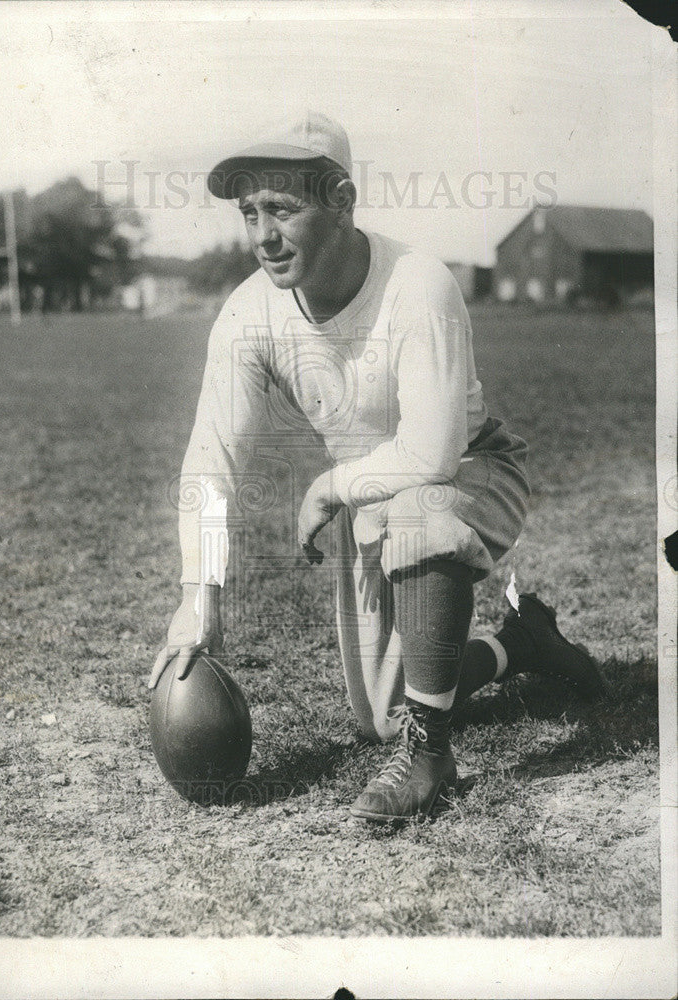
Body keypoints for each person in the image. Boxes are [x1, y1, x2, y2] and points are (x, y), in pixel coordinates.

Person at [149, 112, 604, 822]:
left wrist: (331, 485)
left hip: (470, 468)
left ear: (341, 200)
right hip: (370, 495)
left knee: (419, 514)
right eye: (249, 213)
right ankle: (521, 642)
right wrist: (198, 593)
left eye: (282, 209)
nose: (263, 235)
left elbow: (431, 453)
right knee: (385, 713)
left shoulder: (416, 283)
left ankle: (430, 758)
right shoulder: (247, 313)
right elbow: (212, 458)